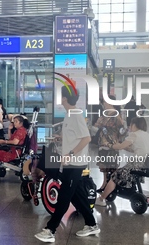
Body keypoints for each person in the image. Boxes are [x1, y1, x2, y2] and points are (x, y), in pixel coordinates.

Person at [35, 86, 99, 243]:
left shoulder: (76, 115)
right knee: (77, 196)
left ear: (64, 98)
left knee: (64, 196)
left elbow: (86, 138)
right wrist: (60, 138)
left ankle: (50, 230)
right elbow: (75, 136)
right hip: (71, 163)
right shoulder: (69, 114)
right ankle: (91, 224)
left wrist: (71, 153)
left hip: (75, 164)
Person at [95, 117, 149, 206]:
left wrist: (109, 145)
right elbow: (134, 149)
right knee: (124, 171)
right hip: (148, 165)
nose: (130, 127)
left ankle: (101, 199)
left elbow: (119, 147)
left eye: (130, 125)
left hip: (138, 165)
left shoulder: (134, 134)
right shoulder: (146, 134)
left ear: (134, 125)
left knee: (114, 176)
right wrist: (123, 146)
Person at [94, 95, 125, 193]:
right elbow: (96, 125)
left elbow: (122, 129)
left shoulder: (116, 115)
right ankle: (104, 184)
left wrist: (119, 141)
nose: (104, 104)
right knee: (104, 166)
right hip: (103, 143)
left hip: (112, 144)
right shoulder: (104, 114)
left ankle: (111, 187)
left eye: (105, 102)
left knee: (112, 166)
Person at [0, 115, 28, 183]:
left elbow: (15, 142)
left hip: (14, 153)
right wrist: (9, 129)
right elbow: (11, 139)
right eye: (14, 121)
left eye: (16, 121)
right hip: (13, 150)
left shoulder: (20, 131)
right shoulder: (18, 130)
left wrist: (4, 142)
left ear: (21, 123)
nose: (14, 123)